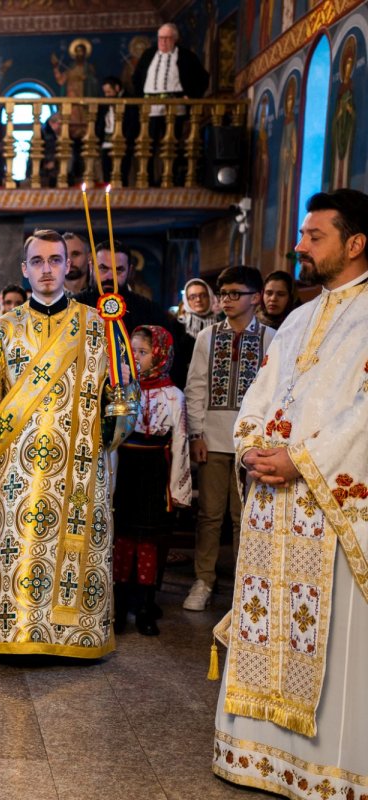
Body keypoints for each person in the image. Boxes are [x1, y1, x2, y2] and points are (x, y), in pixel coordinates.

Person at [212, 189, 368, 799]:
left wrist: (303, 460)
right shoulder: (299, 318)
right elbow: (260, 396)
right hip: (276, 506)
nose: (299, 246)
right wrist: (250, 448)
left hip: (330, 504)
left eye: (315, 236)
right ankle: (259, 756)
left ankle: (330, 768)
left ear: (355, 244)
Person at [0, 229, 117, 658]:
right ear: (24, 270)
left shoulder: (96, 326)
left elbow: (118, 393)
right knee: (18, 548)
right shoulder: (3, 330)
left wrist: (119, 418)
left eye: (55, 260)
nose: (47, 269)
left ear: (68, 266)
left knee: (73, 553)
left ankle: (74, 637)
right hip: (16, 468)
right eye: (37, 261)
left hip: (78, 465)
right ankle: (16, 634)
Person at [183, 266, 274, 612]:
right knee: (209, 515)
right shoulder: (207, 337)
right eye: (224, 294)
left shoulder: (271, 338)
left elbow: (275, 392)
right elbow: (195, 387)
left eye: (236, 293)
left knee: (244, 517)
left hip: (252, 444)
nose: (227, 300)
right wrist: (196, 434)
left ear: (256, 297)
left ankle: (244, 584)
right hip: (213, 438)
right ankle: (204, 579)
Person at [112, 325, 190, 636]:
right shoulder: (120, 390)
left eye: (142, 353)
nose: (136, 358)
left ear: (158, 355)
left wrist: (177, 489)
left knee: (148, 542)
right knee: (122, 540)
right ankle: (117, 607)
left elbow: (181, 443)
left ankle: (145, 607)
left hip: (154, 471)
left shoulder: (173, 396)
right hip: (125, 469)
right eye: (131, 353)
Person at [76, 242, 194, 388]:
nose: (110, 276)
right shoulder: (74, 307)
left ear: (130, 271)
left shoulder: (149, 310)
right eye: (103, 268)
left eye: (119, 270)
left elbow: (172, 363)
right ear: (91, 267)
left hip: (137, 399)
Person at [130, 23, 209, 186]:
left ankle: (169, 178)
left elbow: (202, 78)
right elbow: (137, 78)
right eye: (160, 38)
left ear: (175, 39)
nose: (163, 42)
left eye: (167, 38)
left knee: (171, 143)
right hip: (150, 106)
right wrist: (140, 99)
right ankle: (147, 179)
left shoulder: (186, 56)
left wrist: (191, 95)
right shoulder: (148, 54)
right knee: (148, 143)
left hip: (175, 105)